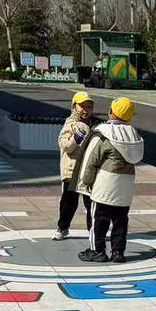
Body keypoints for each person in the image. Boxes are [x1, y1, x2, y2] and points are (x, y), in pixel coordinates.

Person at [73, 97, 145, 264]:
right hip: (126, 185)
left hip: (105, 184)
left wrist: (86, 182)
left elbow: (92, 161)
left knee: (100, 218)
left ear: (111, 111)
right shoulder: (133, 135)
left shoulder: (103, 133)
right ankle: (118, 252)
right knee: (121, 220)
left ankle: (97, 251)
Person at [54, 91, 95, 240]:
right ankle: (62, 228)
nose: (85, 109)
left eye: (89, 106)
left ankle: (94, 230)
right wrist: (75, 139)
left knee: (91, 202)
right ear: (74, 107)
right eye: (82, 106)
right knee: (68, 202)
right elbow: (65, 146)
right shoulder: (70, 124)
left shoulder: (94, 124)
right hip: (71, 171)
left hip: (88, 170)